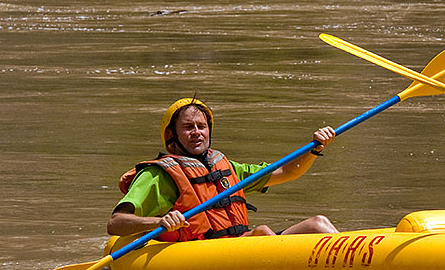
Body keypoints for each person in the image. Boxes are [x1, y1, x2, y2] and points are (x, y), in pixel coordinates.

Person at [108, 97, 339, 241]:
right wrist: (159, 222)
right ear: (172, 136)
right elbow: (116, 223)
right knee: (263, 232)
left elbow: (287, 172)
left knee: (317, 224)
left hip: (237, 246)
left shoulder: (227, 167)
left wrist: (315, 149)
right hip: (200, 256)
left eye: (202, 126)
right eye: (188, 127)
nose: (197, 132)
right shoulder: (158, 175)